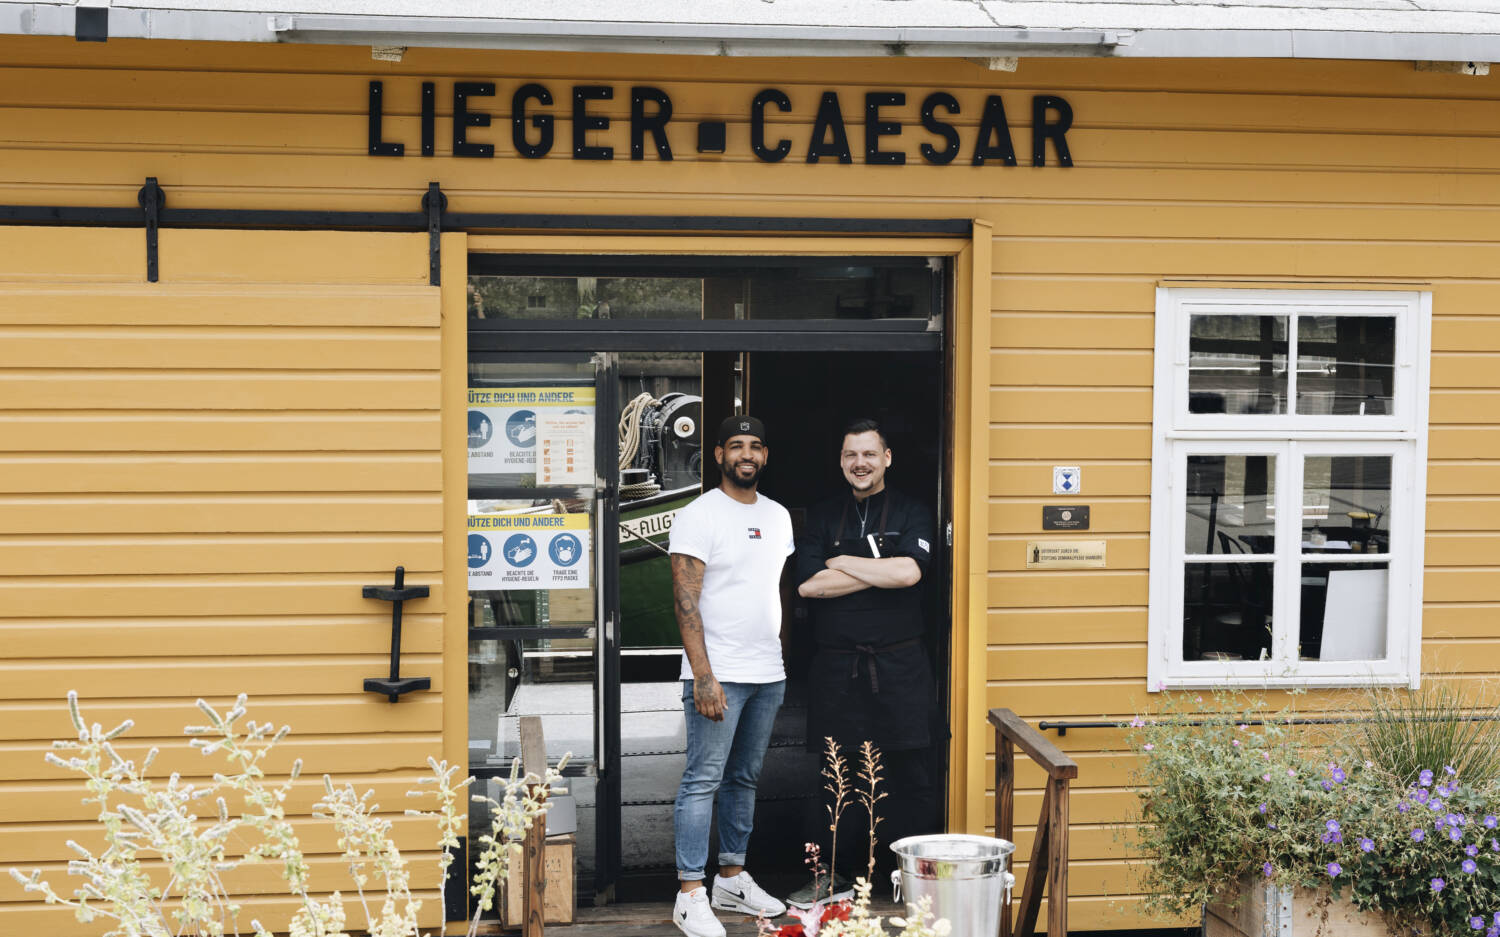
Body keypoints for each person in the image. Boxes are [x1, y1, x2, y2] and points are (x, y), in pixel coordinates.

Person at [790, 418, 939, 908]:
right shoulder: (822, 516)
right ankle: (830, 878)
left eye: (870, 455)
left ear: (887, 458)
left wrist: (841, 562)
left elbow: (910, 571)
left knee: (910, 773)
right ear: (841, 460)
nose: (861, 463)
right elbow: (809, 586)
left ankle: (910, 877)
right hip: (838, 671)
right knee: (838, 776)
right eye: (852, 455)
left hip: (902, 670)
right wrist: (878, 571)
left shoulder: (914, 511)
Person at [669, 415, 793, 937]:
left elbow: (771, 590)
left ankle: (731, 877)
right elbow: (684, 600)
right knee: (703, 780)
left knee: (744, 779)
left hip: (767, 671)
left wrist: (781, 655)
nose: (747, 453)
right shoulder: (700, 515)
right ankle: (690, 893)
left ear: (765, 456)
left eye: (756, 446)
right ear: (718, 454)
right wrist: (703, 676)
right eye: (736, 445)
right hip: (717, 673)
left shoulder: (780, 516)